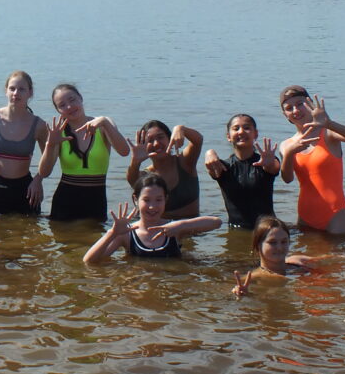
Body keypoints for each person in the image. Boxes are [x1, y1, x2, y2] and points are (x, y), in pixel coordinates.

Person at [278, 86, 345, 234]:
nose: (296, 111)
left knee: (339, 256)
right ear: (285, 114)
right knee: (306, 256)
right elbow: (287, 179)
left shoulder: (328, 134)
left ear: (310, 103)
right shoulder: (286, 145)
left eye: (300, 104)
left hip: (336, 214)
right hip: (305, 214)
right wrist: (289, 153)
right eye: (289, 108)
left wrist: (329, 123)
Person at [38, 83, 130, 221]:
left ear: (80, 98)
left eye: (72, 100)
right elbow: (44, 173)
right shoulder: (58, 132)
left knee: (93, 240)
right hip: (65, 201)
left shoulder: (104, 124)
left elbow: (124, 151)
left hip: (96, 200)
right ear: (58, 110)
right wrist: (50, 144)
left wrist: (105, 122)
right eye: (62, 105)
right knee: (63, 242)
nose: (69, 106)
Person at [83, 174, 222, 263]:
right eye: (146, 200)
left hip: (170, 287)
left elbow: (216, 222)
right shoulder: (127, 234)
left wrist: (181, 225)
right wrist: (112, 233)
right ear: (135, 199)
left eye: (158, 200)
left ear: (166, 200)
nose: (152, 206)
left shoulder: (174, 229)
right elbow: (89, 261)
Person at [0, 70, 49, 215]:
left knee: (31, 234)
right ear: (6, 91)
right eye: (12, 88)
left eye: (22, 89)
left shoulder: (39, 125)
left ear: (30, 93)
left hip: (26, 189)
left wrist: (38, 179)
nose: (16, 93)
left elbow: (49, 156)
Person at [204, 113, 279, 228]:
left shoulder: (265, 162)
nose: (241, 132)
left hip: (267, 230)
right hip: (235, 229)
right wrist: (209, 153)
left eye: (247, 128)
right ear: (228, 136)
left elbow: (274, 167)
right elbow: (211, 168)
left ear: (256, 134)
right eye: (236, 128)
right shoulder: (222, 167)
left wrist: (271, 162)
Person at [125, 120, 203, 218]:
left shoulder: (185, 163)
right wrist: (135, 161)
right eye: (150, 140)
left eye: (160, 137)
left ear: (170, 138)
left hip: (191, 229)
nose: (156, 143)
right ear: (143, 145)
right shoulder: (146, 177)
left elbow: (198, 141)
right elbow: (131, 179)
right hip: (160, 231)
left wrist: (181, 128)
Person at [230, 216, 317, 296]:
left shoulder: (297, 266)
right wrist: (242, 295)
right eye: (272, 242)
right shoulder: (252, 279)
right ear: (257, 246)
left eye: (284, 242)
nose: (279, 248)